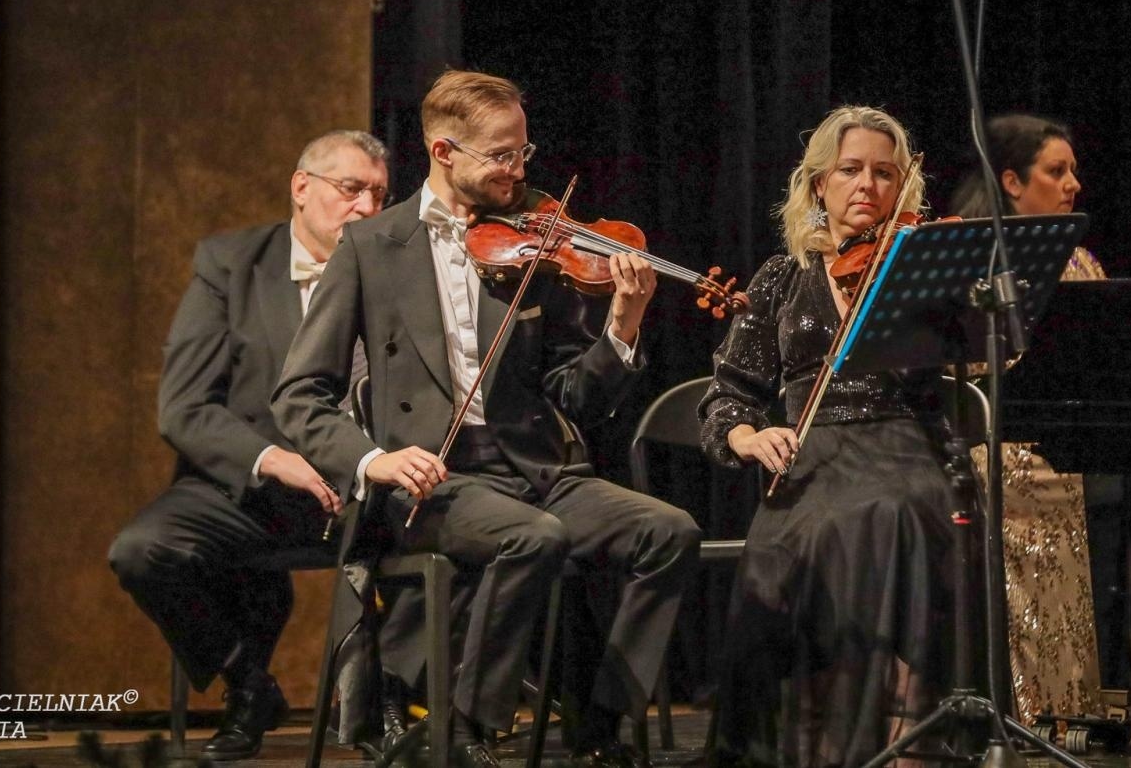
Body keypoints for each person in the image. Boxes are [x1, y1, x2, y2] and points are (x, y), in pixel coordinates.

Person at [272, 69, 701, 768]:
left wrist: (621, 327)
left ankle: (602, 723)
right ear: (443, 153)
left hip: (535, 467)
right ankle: (466, 730)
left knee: (668, 531)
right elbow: (300, 394)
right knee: (531, 538)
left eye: (522, 154)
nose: (517, 171)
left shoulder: (531, 243)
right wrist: (372, 460)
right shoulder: (371, 249)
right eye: (500, 156)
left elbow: (573, 396)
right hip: (435, 480)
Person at [107, 129, 388, 761]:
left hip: (363, 489)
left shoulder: (392, 267)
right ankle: (247, 682)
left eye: (378, 194)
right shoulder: (230, 265)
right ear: (301, 188)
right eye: (351, 190)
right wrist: (272, 459)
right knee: (143, 550)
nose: (367, 209)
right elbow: (183, 407)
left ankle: (388, 714)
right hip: (255, 489)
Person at [699, 104, 956, 768]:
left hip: (906, 443)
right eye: (850, 170)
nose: (867, 185)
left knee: (889, 511)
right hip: (813, 456)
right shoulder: (782, 279)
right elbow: (727, 394)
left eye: (883, 172)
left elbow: (967, 365)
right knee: (810, 533)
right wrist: (750, 437)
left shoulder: (922, 269)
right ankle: (818, 741)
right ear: (819, 185)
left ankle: (907, 731)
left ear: (904, 188)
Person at [953, 115, 1131, 721]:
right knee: (1038, 481)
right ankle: (1047, 702)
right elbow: (968, 378)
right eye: (1057, 171)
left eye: (1074, 170)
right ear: (1010, 181)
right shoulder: (973, 258)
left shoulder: (1080, 260)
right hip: (1004, 439)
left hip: (1076, 434)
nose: (1073, 183)